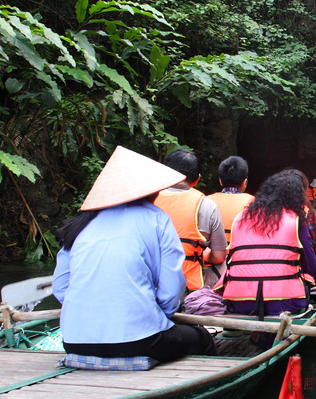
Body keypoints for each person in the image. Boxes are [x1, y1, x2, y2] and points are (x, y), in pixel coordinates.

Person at [52, 146, 217, 361]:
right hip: (138, 338)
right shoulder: (157, 219)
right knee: (202, 338)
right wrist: (158, 316)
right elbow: (171, 290)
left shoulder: (78, 225)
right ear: (151, 191)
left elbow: (61, 287)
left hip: (74, 341)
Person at [217, 169, 316, 319]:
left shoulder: (240, 217)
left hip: (238, 303)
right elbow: (311, 267)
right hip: (285, 303)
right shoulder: (296, 221)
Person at [154, 148, 228, 291]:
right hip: (190, 286)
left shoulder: (149, 199)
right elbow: (219, 256)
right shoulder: (207, 205)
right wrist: (204, 256)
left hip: (152, 283)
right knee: (225, 262)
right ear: (197, 179)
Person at [207, 156, 255, 247]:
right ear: (245, 182)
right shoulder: (254, 203)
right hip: (240, 257)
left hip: (212, 256)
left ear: (220, 181)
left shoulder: (206, 201)